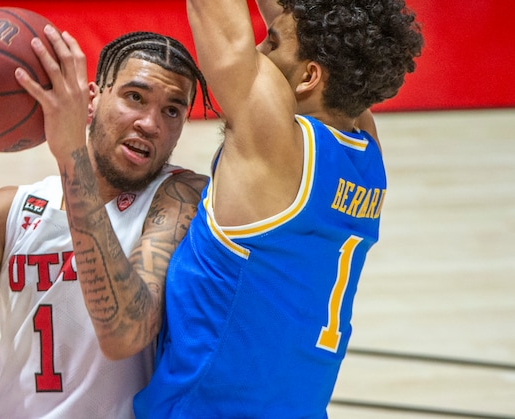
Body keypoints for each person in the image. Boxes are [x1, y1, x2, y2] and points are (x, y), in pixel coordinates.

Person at [64, 0, 423, 417]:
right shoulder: (366, 151)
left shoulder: (272, 140)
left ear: (308, 76)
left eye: (271, 42)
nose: (260, 48)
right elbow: (308, 29)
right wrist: (290, 29)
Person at [0, 26, 213, 418]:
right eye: (135, 97)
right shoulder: (9, 211)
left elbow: (124, 334)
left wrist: (71, 158)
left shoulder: (181, 198)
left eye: (172, 110)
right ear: (92, 99)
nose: (151, 124)